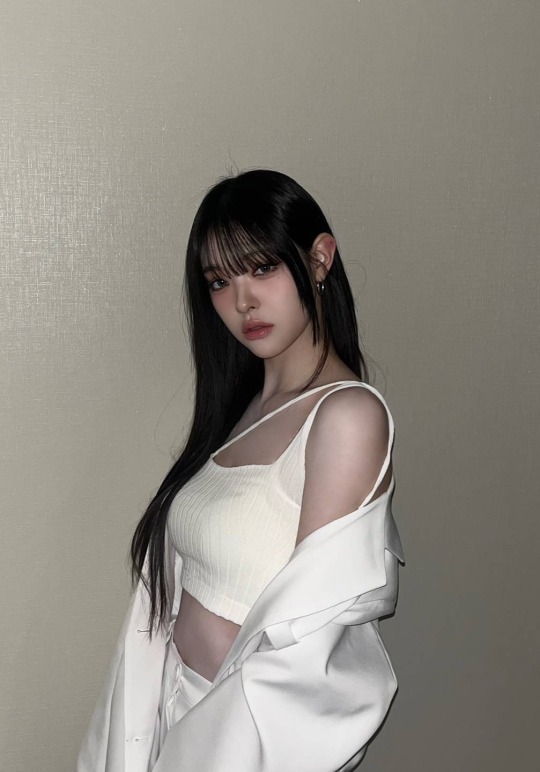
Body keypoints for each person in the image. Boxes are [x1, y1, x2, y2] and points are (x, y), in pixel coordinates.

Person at [77, 169, 405, 772]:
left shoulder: (347, 417)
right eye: (219, 281)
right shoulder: (244, 409)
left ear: (320, 258)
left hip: (240, 744)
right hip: (176, 714)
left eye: (262, 268)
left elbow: (311, 643)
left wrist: (204, 747)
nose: (243, 301)